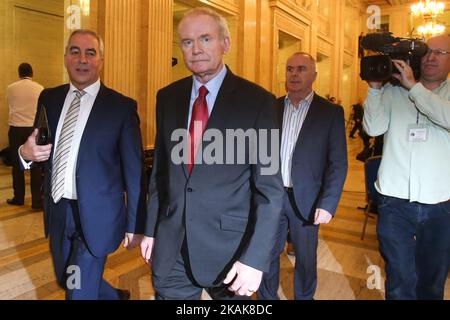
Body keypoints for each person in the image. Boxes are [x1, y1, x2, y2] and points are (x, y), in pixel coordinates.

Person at [140, 7, 283, 300]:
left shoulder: (258, 102)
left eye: (205, 38)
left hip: (232, 253)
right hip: (173, 248)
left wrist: (255, 259)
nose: (196, 49)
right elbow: (161, 175)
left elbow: (270, 190)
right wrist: (151, 230)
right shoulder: (167, 97)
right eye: (187, 42)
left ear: (225, 44)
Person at [18, 29, 146, 300]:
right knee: (68, 278)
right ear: (65, 58)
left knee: (77, 292)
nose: (82, 59)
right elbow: (34, 145)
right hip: (58, 211)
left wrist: (136, 223)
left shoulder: (121, 107)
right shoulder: (49, 99)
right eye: (75, 51)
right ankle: (115, 297)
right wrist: (24, 152)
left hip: (99, 216)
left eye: (91, 53)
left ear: (101, 60)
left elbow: (134, 173)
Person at [363, 34, 450, 300]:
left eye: (440, 53)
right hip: (394, 202)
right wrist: (376, 89)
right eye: (427, 52)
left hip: (440, 204)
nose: (431, 57)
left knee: (432, 279)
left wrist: (415, 88)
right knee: (399, 277)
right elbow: (374, 128)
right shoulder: (393, 91)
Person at [258, 52, 348, 300]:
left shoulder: (330, 112)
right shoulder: (270, 108)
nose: (294, 74)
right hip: (272, 197)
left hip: (308, 201)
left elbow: (338, 163)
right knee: (265, 254)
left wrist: (328, 204)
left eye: (301, 69)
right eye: (290, 69)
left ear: (314, 75)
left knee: (306, 260)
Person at [6, 63, 44, 210]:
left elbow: (10, 104)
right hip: (32, 129)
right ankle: (36, 202)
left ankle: (18, 197)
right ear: (32, 73)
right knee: (35, 166)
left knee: (17, 165)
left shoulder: (11, 88)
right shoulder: (39, 88)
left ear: (19, 73)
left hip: (15, 129)